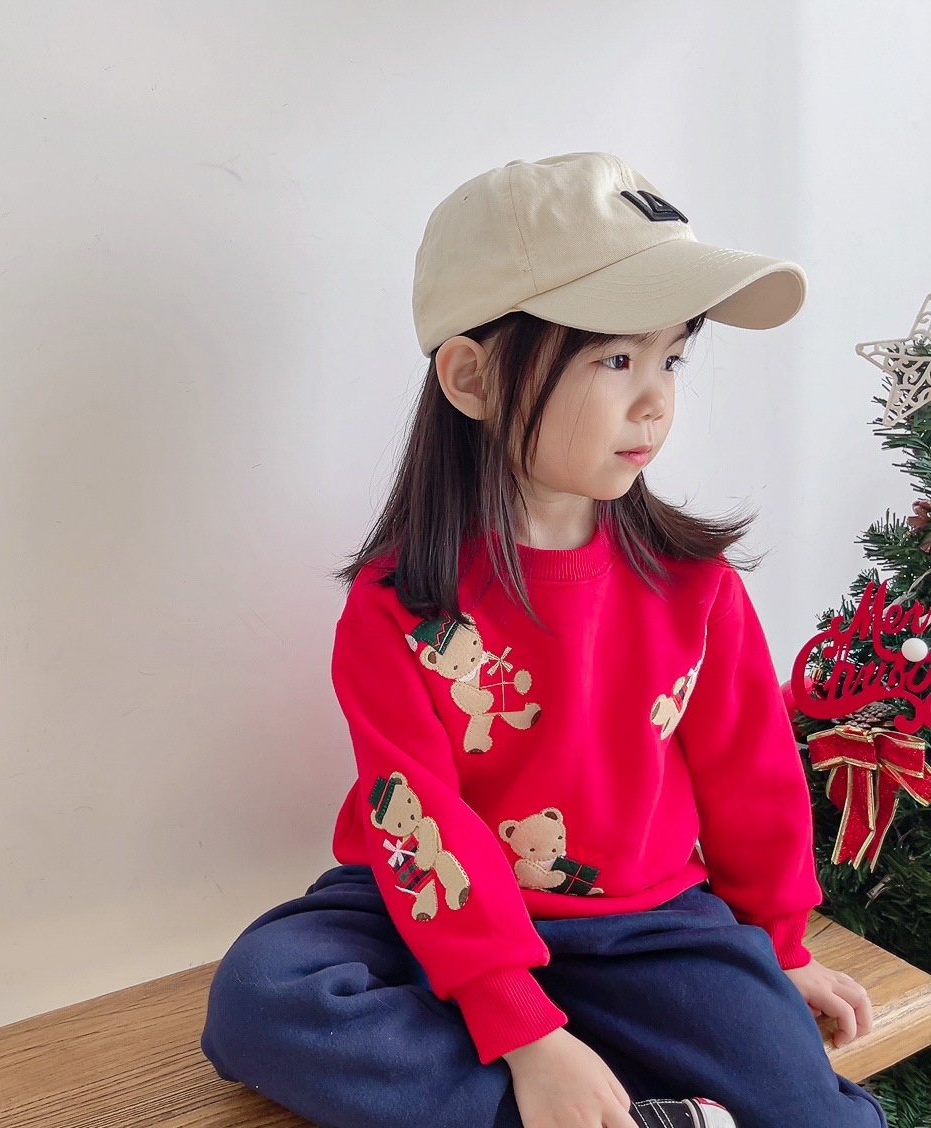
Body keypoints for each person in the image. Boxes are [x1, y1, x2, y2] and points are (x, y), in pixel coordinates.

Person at [200, 153, 887, 1128]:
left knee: (812, 1113)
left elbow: (754, 776)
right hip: (424, 907)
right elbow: (420, 821)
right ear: (473, 378)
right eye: (615, 360)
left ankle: (583, 1090)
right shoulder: (399, 608)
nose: (655, 401)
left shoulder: (695, 588)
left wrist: (781, 947)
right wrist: (523, 1030)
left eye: (671, 358)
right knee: (264, 996)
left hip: (645, 923)